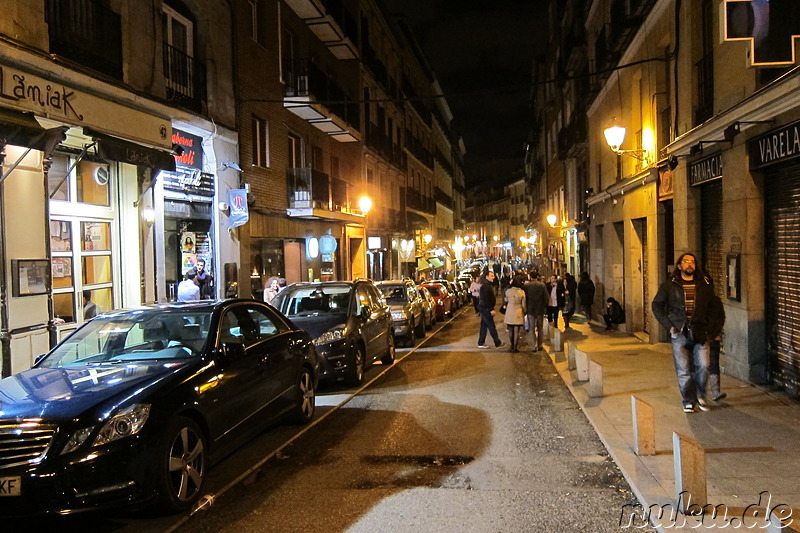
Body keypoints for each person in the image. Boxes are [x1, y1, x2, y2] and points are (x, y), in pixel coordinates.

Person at [652, 253, 725, 413]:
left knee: (704, 365)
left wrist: (711, 330)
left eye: (692, 261)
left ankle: (701, 394)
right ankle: (688, 400)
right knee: (684, 369)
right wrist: (670, 326)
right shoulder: (669, 286)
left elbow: (714, 308)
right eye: (686, 261)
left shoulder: (704, 285)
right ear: (679, 266)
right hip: (679, 332)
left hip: (701, 332)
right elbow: (656, 305)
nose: (689, 264)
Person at [523, 271, 549, 351]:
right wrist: (545, 306)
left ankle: (533, 346)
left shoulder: (526, 286)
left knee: (531, 328)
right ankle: (540, 345)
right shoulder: (542, 285)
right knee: (540, 328)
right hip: (540, 309)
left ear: (530, 277)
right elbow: (546, 297)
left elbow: (525, 297)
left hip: (530, 309)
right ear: (537, 277)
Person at [477, 271, 503, 349]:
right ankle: (497, 342)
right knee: (491, 326)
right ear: (487, 277)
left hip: (484, 308)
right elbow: (485, 299)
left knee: (484, 326)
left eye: (493, 276)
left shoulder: (487, 285)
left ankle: (481, 342)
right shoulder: (485, 286)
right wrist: (491, 309)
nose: (493, 277)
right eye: (491, 276)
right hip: (486, 309)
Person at [503, 275, 527, 352]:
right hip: (518, 311)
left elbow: (505, 300)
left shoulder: (508, 291)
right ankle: (515, 348)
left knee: (510, 329)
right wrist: (525, 311)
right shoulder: (522, 292)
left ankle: (511, 345)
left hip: (510, 310)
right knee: (517, 330)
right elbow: (524, 305)